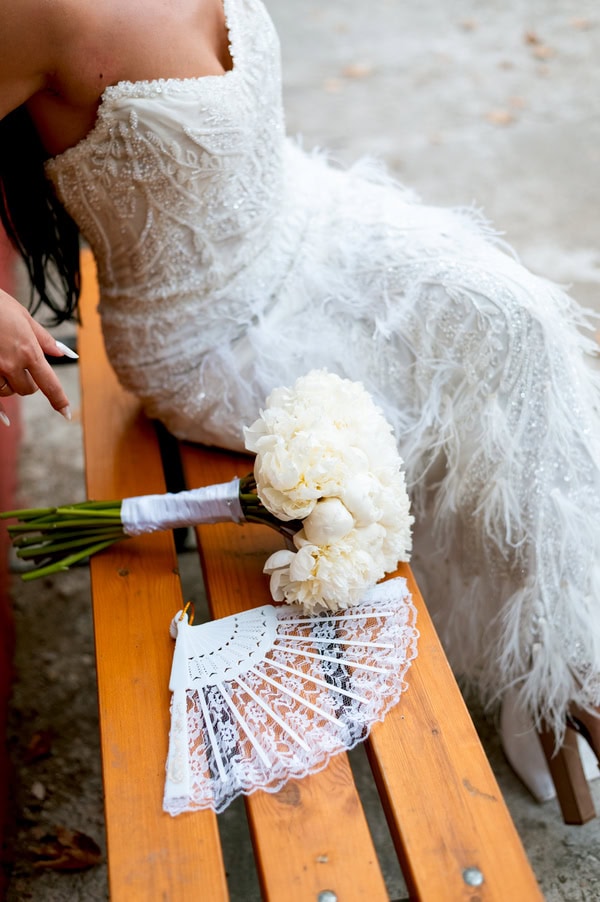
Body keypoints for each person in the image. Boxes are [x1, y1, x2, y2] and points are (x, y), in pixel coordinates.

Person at [0, 0, 599, 812]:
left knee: (516, 323)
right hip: (213, 330)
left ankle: (563, 639)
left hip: (301, 215)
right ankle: (552, 683)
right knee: (451, 404)